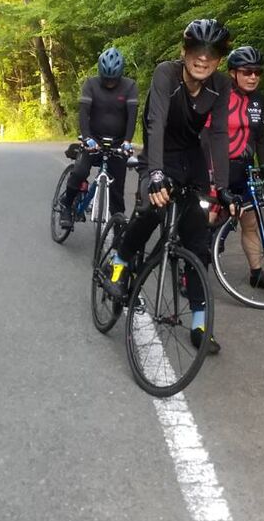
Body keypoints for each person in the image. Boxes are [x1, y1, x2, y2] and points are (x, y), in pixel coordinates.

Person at [100, 19, 236, 354]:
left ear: (219, 59)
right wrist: (156, 174)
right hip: (160, 152)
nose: (203, 58)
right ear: (184, 51)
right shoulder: (166, 74)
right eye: (197, 50)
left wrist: (222, 187)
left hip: (192, 157)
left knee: (198, 241)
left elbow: (219, 134)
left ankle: (200, 324)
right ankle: (119, 263)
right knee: (151, 207)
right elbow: (156, 123)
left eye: (212, 53)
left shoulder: (221, 85)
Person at [221, 45, 264, 291]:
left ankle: (256, 273)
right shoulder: (220, 96)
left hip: (245, 170)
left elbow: (261, 136)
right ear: (233, 73)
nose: (253, 77)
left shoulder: (259, 100)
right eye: (247, 72)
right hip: (220, 168)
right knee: (211, 221)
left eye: (258, 72)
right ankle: (190, 271)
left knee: (250, 223)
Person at [60, 47, 138, 227]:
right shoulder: (91, 84)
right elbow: (83, 113)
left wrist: (127, 141)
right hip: (93, 139)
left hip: (118, 142)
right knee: (79, 172)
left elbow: (132, 117)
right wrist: (87, 137)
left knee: (117, 191)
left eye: (113, 80)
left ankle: (118, 229)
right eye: (106, 79)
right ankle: (66, 205)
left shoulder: (130, 86)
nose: (109, 83)